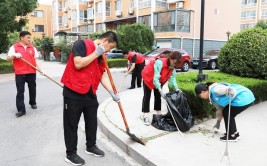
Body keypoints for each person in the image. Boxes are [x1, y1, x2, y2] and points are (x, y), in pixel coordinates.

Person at [61, 31, 120, 166]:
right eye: (110, 47)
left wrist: (112, 92)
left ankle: (91, 146)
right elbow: (78, 63)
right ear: (105, 41)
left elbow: (102, 75)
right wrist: (96, 53)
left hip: (90, 92)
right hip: (73, 92)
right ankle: (70, 154)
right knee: (71, 124)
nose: (110, 50)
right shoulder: (81, 44)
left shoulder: (101, 56)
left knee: (92, 121)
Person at [7, 31, 42, 118]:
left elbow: (36, 59)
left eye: (30, 37)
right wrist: (14, 55)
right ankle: (21, 110)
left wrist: (40, 69)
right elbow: (8, 58)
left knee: (32, 89)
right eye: (28, 37)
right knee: (20, 92)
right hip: (20, 73)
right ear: (22, 38)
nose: (29, 39)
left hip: (31, 72)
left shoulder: (32, 48)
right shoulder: (14, 47)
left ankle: (33, 103)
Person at [141, 51, 181, 125]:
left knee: (158, 96)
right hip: (148, 78)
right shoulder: (160, 62)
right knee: (147, 96)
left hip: (159, 80)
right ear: (170, 59)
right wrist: (160, 90)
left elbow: (172, 79)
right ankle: (145, 115)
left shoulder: (172, 67)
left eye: (177, 64)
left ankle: (158, 113)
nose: (175, 65)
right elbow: (155, 78)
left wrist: (177, 88)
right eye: (174, 63)